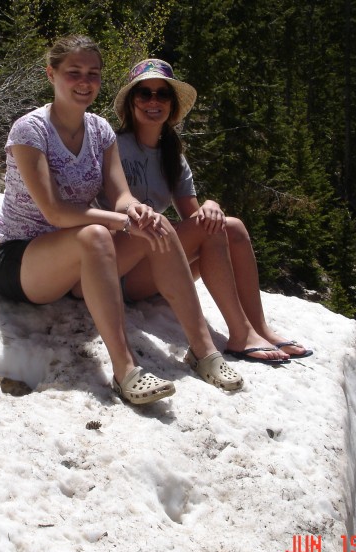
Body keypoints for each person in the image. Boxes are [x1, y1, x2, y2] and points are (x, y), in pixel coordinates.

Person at [0, 35, 244, 404]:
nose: (85, 82)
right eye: (74, 72)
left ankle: (204, 352)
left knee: (157, 224)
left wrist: (136, 211)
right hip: (18, 258)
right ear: (51, 74)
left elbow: (120, 195)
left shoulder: (100, 131)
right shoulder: (31, 130)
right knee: (95, 235)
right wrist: (120, 222)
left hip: (74, 262)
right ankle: (126, 371)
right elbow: (54, 211)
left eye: (93, 73)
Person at [108, 58, 312, 363]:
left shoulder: (172, 157)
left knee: (231, 226)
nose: (153, 101)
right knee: (210, 227)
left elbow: (195, 219)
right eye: (144, 94)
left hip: (155, 265)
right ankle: (240, 334)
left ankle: (258, 327)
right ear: (131, 103)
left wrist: (211, 205)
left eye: (162, 94)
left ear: (172, 105)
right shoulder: (112, 145)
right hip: (120, 266)